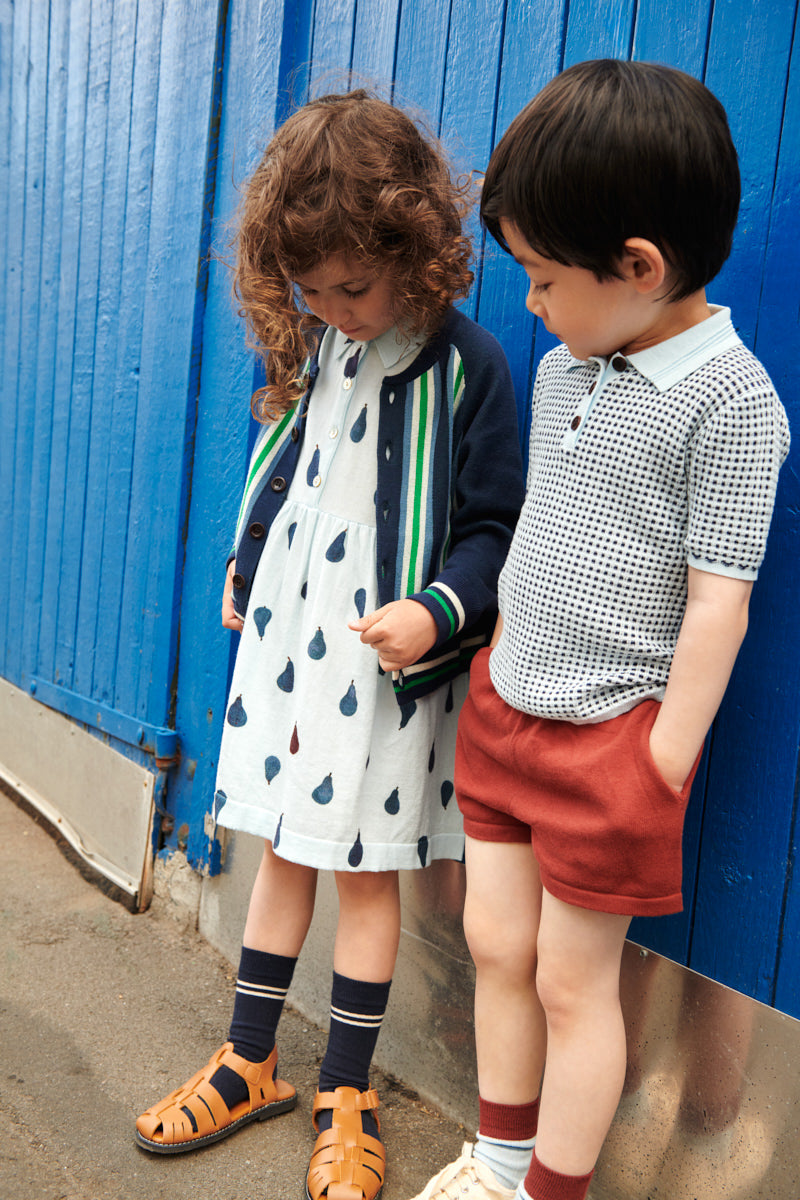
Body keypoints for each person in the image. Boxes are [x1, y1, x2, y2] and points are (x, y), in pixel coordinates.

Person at [134, 89, 524, 1200]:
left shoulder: (467, 368)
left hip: (385, 668)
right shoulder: (318, 346)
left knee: (361, 878)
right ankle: (249, 1057)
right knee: (281, 852)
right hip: (291, 653)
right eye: (310, 293)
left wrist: (440, 610)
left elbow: (496, 522)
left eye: (353, 287)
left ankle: (343, 1086)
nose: (334, 310)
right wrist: (244, 563)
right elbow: (287, 465)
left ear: (412, 249)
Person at [410, 59, 789, 1200]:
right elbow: (546, 520)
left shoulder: (731, 403)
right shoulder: (577, 360)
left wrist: (658, 760)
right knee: (493, 950)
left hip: (605, 748)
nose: (525, 304)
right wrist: (494, 654)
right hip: (504, 710)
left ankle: (549, 1191)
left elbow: (717, 596)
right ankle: (498, 1157)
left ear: (637, 267)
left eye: (538, 278)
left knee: (576, 989)